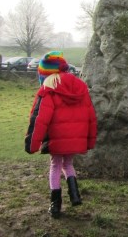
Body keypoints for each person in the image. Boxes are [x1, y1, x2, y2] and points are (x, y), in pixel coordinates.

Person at [25, 51, 97, 218]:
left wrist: (32, 144)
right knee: (68, 164)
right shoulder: (80, 86)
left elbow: (40, 118)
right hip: (76, 137)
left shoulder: (48, 88)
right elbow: (91, 115)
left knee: (56, 165)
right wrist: (90, 140)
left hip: (56, 137)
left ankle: (55, 205)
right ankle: (75, 195)